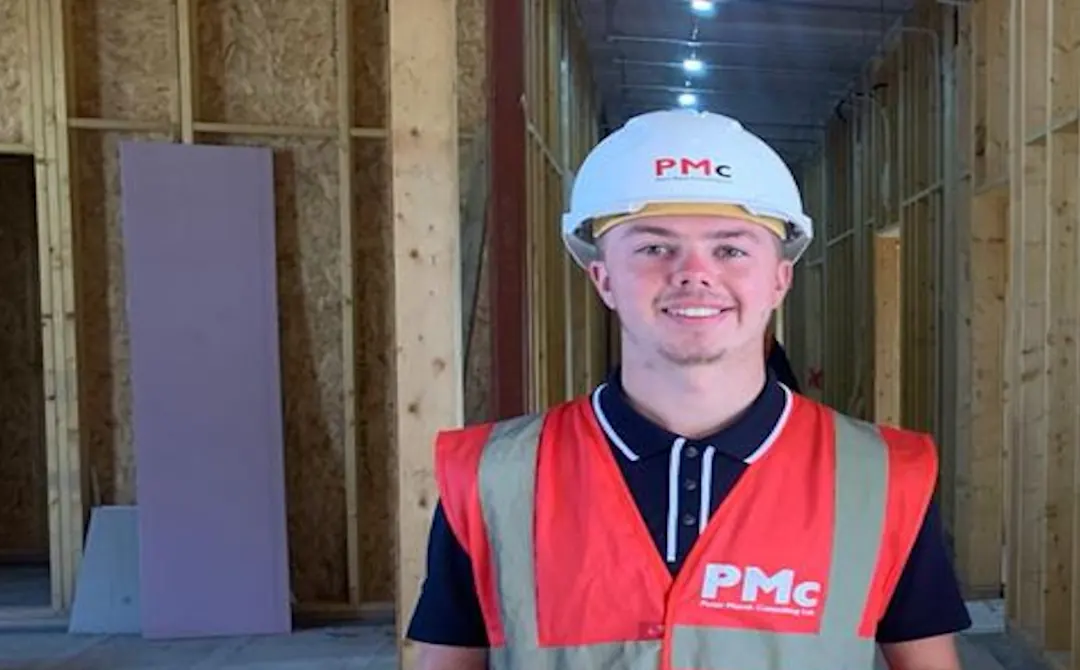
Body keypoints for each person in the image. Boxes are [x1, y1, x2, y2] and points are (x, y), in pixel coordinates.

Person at [405, 110, 970, 669]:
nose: (694, 273)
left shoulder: (882, 479)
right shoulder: (494, 478)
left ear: (780, 279)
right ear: (603, 278)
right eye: (654, 248)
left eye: (731, 249)